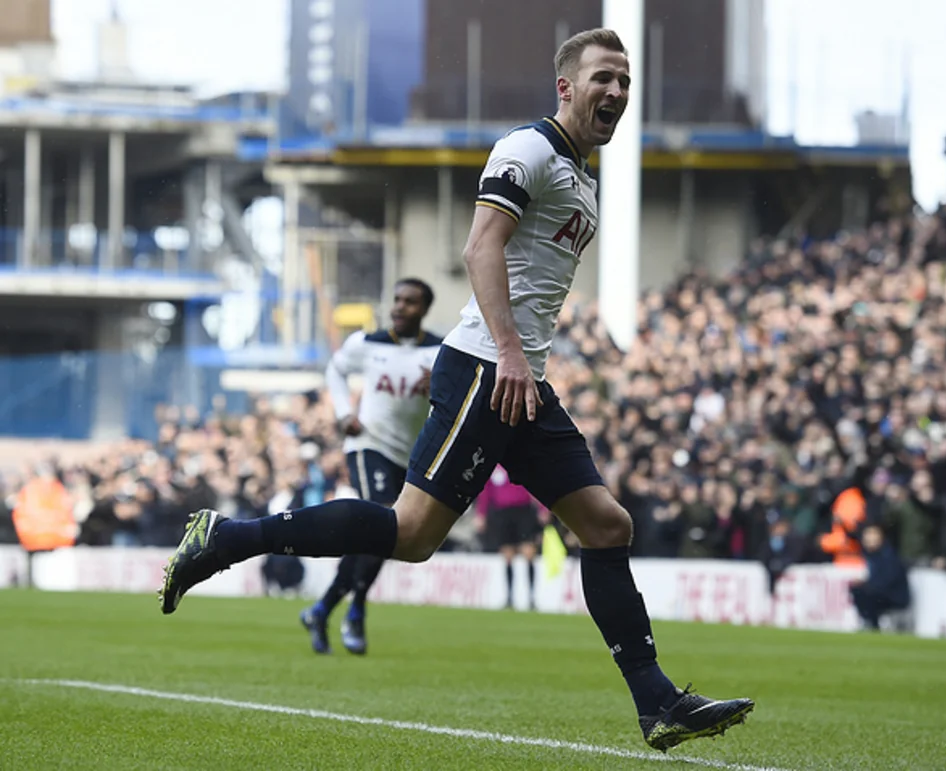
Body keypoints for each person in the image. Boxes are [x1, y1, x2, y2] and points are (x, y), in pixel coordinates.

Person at [158, 28, 753, 751]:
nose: (617, 93)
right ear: (565, 86)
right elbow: (480, 248)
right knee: (409, 534)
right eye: (603, 78)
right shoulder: (526, 150)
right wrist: (507, 350)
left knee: (606, 524)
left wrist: (521, 360)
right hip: (484, 366)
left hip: (522, 378)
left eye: (625, 82)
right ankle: (227, 538)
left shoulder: (582, 177)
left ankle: (657, 701)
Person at [299, 278, 441, 655]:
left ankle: (323, 608)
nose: (399, 307)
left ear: (424, 309)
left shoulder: (440, 352)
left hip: (409, 456)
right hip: (368, 445)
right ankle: (356, 610)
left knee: (388, 534)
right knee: (381, 517)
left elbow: (458, 398)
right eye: (396, 299)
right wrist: (345, 412)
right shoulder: (367, 343)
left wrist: (441, 388)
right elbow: (335, 370)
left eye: (409, 302)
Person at [475, 464, 542, 610]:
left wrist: (542, 508)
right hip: (502, 513)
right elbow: (485, 491)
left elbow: (535, 482)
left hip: (523, 511)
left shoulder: (518, 458)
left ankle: (531, 597)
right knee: (507, 554)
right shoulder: (493, 465)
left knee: (528, 552)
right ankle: (510, 597)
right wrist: (481, 513)